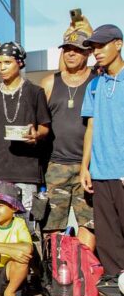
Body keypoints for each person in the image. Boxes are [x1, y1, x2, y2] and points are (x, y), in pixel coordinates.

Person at [0, 42, 51, 224]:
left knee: (26, 225)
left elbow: (45, 127)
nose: (2, 68)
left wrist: (36, 135)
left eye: (7, 62)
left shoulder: (35, 92)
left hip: (26, 170)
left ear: (20, 63)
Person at [40, 29, 96, 250]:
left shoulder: (97, 82)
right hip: (56, 166)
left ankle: (83, 274)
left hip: (89, 166)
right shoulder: (49, 83)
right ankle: (57, 276)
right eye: (67, 50)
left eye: (77, 50)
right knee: (52, 226)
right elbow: (38, 123)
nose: (71, 54)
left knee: (89, 224)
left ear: (88, 53)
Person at [80, 24, 124, 280]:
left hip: (122, 170)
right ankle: (115, 290)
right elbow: (91, 127)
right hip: (100, 171)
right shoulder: (95, 85)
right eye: (93, 47)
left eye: (101, 45)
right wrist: (85, 166)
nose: (96, 51)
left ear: (117, 44)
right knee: (108, 237)